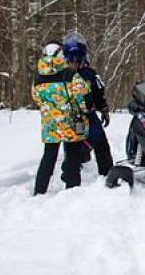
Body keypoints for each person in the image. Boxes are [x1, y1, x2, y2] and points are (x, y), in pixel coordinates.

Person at [32, 43, 91, 194]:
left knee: (48, 157)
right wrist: (86, 110)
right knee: (72, 156)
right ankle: (72, 190)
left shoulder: (38, 79)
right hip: (71, 123)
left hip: (50, 125)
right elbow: (82, 98)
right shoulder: (70, 74)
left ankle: (39, 190)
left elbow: (37, 99)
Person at [63, 37, 113, 176]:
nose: (74, 63)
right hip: (73, 116)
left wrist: (103, 109)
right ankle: (70, 171)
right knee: (77, 146)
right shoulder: (64, 74)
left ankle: (106, 172)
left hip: (86, 115)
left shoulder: (89, 73)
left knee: (99, 143)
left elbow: (98, 92)